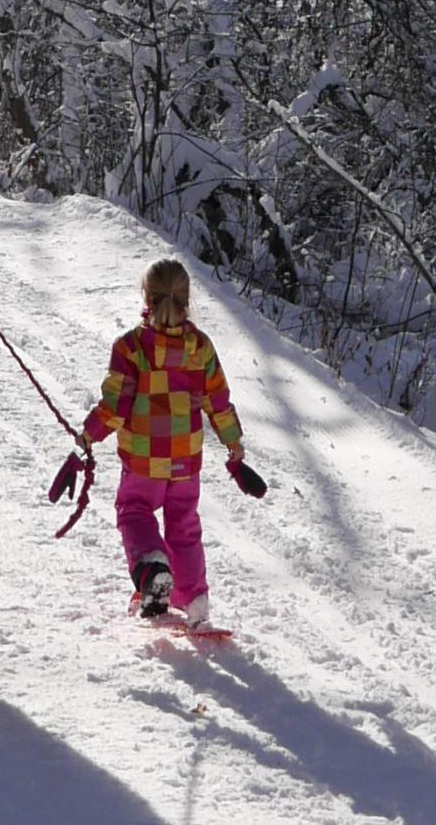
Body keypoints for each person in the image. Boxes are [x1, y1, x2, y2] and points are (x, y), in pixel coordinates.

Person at [79, 257, 253, 629]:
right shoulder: (201, 347)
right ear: (186, 300)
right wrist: (234, 445)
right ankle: (195, 602)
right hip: (186, 461)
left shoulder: (130, 348)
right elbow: (217, 402)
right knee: (184, 526)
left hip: (143, 461)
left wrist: (87, 437)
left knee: (135, 511)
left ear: (147, 297)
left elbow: (115, 407)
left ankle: (152, 571)